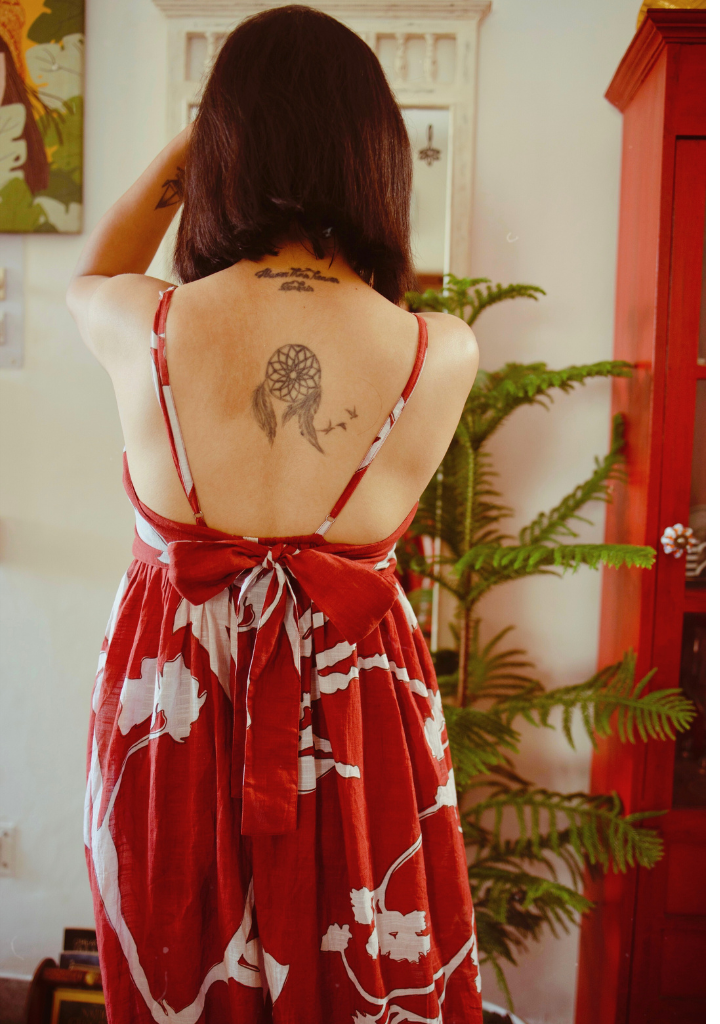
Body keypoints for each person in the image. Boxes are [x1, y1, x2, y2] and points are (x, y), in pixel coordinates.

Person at [67, 6, 482, 1022]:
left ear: (223, 151)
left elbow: (92, 274)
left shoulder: (147, 323)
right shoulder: (439, 350)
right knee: (358, 979)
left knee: (178, 977)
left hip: (170, 711)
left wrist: (196, 143)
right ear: (375, 155)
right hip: (356, 713)